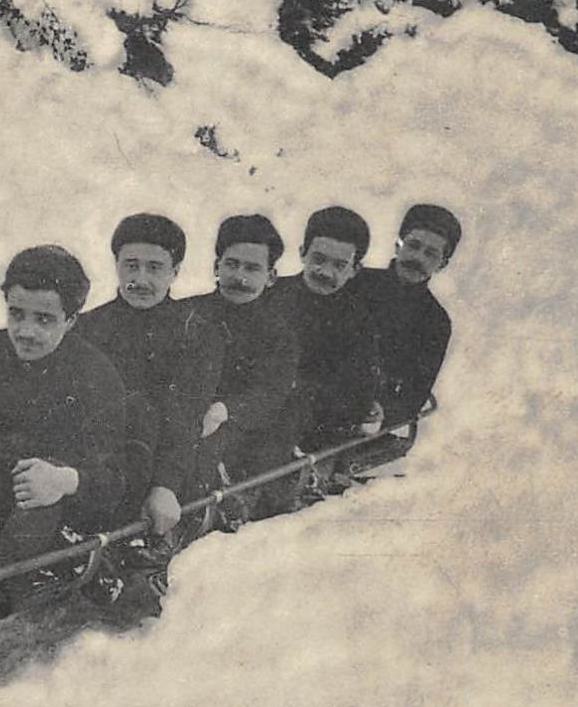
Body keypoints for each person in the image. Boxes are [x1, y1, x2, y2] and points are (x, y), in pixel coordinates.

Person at [0, 245, 128, 624]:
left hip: (44, 510)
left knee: (35, 484)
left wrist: (66, 480)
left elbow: (115, 478)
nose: (26, 331)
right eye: (17, 314)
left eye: (45, 319)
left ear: (71, 320)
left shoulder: (95, 376)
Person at [75, 213, 221, 536]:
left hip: (161, 463)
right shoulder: (87, 327)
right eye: (131, 265)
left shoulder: (196, 333)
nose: (140, 279)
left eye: (154, 268)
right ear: (116, 265)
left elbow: (186, 417)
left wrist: (165, 486)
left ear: (175, 272)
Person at [175, 214, 300, 523]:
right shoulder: (185, 313)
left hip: (240, 428)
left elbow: (271, 393)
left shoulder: (279, 333)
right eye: (231, 264)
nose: (239, 276)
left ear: (270, 277)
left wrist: (225, 409)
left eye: (252, 268)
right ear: (216, 267)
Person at [275, 206, 383, 455]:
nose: (325, 272)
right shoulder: (272, 296)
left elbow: (358, 394)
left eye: (339, 265)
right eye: (319, 259)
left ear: (355, 269)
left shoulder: (359, 321)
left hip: (312, 427)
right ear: (303, 253)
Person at [346, 203, 459, 429]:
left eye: (431, 254)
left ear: (442, 264)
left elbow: (414, 396)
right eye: (413, 246)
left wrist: (384, 410)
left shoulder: (436, 322)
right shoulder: (355, 281)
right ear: (398, 246)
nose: (417, 258)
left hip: (362, 413)